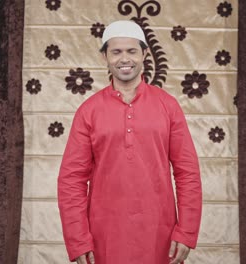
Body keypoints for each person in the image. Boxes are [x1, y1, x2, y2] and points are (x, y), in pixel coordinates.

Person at [57, 20, 202, 264]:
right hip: (104, 238)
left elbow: (188, 172)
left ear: (145, 53)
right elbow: (71, 180)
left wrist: (186, 231)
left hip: (160, 236)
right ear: (105, 56)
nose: (125, 58)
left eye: (132, 51)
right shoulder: (88, 111)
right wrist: (78, 239)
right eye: (116, 52)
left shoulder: (168, 106)